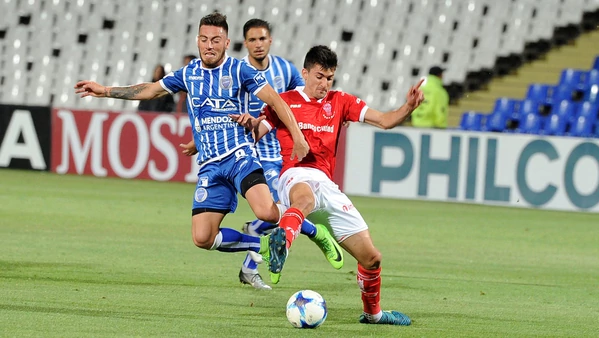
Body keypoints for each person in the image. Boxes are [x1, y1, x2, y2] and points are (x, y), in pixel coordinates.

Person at [74, 13, 323, 275]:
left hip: (239, 157)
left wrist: (297, 136)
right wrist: (105, 91)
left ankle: (311, 228)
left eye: (216, 40)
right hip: (209, 166)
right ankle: (260, 245)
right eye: (204, 39)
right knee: (203, 238)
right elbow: (151, 90)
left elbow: (276, 101)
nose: (209, 45)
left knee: (267, 213)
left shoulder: (240, 70)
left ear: (227, 43)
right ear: (197, 41)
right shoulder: (188, 73)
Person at [232, 45, 424, 325]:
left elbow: (384, 121)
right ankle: (281, 243)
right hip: (295, 175)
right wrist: (251, 125)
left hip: (328, 187)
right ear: (305, 73)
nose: (324, 84)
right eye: (319, 76)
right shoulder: (284, 102)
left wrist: (408, 106)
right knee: (305, 198)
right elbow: (259, 130)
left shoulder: (341, 101)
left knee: (372, 258)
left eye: (329, 78)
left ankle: (373, 314)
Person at [236, 18, 344, 290]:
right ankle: (311, 233)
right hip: (248, 148)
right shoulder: (235, 72)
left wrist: (337, 115)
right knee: (281, 213)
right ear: (245, 43)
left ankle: (251, 263)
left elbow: (305, 97)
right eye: (252, 40)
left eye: (262, 39)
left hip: (280, 152)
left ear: (270, 40)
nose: (258, 44)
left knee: (284, 210)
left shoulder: (285, 69)